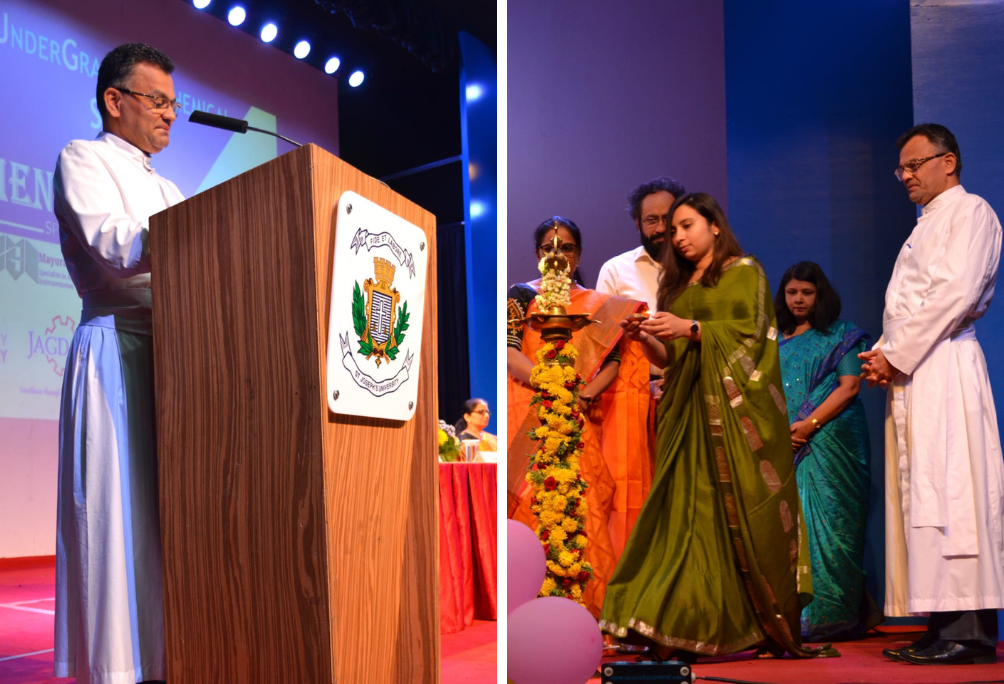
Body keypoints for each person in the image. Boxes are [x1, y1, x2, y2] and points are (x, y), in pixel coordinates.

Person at [600, 193, 828, 660]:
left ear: (715, 226)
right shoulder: (676, 287)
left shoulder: (744, 271)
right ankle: (677, 623)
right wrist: (644, 337)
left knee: (723, 516)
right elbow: (670, 358)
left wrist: (693, 328)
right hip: (685, 417)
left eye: (687, 225)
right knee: (680, 516)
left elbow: (753, 339)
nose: (678, 237)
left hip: (733, 422)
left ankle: (739, 624)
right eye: (673, 230)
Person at [53, 43, 183, 684]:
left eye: (173, 104)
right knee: (113, 514)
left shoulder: (170, 188)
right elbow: (113, 243)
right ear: (114, 99)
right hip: (112, 348)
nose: (170, 115)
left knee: (166, 516)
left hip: (178, 359)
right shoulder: (83, 158)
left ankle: (164, 656)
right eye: (157, 100)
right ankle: (113, 667)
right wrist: (198, 231)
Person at [860, 123, 1004, 665]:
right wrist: (883, 353)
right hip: (918, 367)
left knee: (953, 491)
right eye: (901, 168)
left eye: (915, 164)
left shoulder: (971, 211)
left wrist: (896, 354)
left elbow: (955, 293)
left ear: (949, 162)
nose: (905, 175)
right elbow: (908, 305)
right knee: (922, 493)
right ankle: (941, 621)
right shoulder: (926, 225)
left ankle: (969, 631)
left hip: (945, 365)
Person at [507, 216, 651, 617]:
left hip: (578, 416)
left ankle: (585, 606)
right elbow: (509, 348)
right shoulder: (521, 295)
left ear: (579, 254)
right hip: (532, 411)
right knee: (531, 500)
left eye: (567, 247)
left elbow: (613, 360)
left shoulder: (599, 304)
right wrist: (549, 385)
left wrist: (582, 392)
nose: (558, 255)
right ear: (537, 254)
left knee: (583, 503)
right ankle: (530, 608)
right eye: (549, 247)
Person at [775, 262, 882, 641]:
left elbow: (849, 386)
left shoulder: (840, 334)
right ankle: (798, 617)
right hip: (785, 440)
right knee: (792, 527)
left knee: (834, 525)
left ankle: (833, 617)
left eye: (807, 292)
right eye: (792, 292)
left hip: (832, 440)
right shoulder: (773, 338)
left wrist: (809, 425)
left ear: (820, 295)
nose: (799, 299)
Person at [596, 177, 686, 399]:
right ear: (638, 223)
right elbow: (603, 346)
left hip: (692, 388)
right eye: (651, 220)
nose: (661, 228)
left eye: (667, 218)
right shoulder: (616, 270)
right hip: (634, 394)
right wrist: (646, 387)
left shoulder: (698, 268)